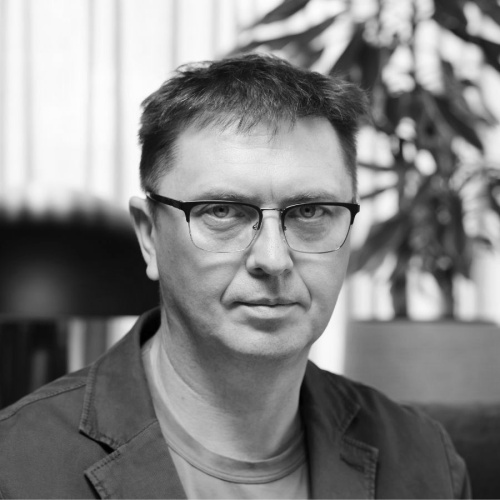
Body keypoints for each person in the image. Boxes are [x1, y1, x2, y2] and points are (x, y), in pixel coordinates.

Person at [0, 53, 469, 499]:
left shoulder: (425, 462)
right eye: (222, 211)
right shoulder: (17, 469)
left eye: (310, 211)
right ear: (149, 236)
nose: (274, 259)